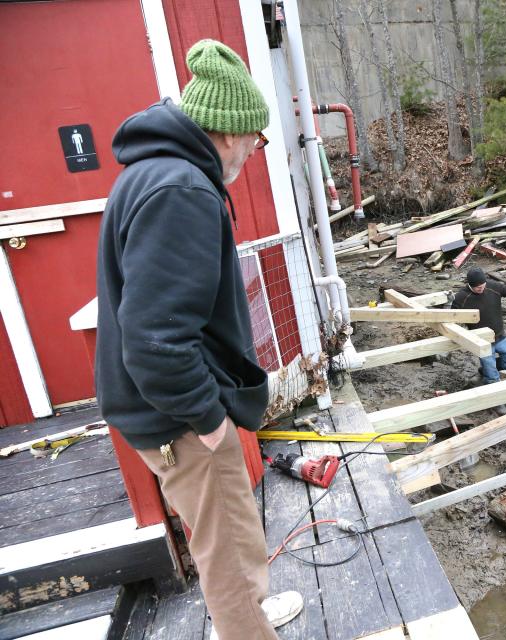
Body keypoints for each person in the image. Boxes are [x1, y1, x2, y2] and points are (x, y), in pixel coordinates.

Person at [95, 40, 302, 640]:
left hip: (166, 413)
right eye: (258, 140)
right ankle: (245, 627)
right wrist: (209, 421)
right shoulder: (181, 192)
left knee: (224, 534)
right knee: (229, 548)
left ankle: (246, 615)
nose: (255, 153)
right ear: (232, 132)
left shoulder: (156, 174)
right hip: (179, 420)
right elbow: (156, 339)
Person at [451, 267, 506, 384]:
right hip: (482, 341)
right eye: (478, 287)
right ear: (470, 285)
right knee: (493, 377)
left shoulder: (491, 286)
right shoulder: (461, 297)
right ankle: (493, 387)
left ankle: (486, 369)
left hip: (499, 335)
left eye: (483, 285)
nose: (482, 288)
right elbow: (452, 316)